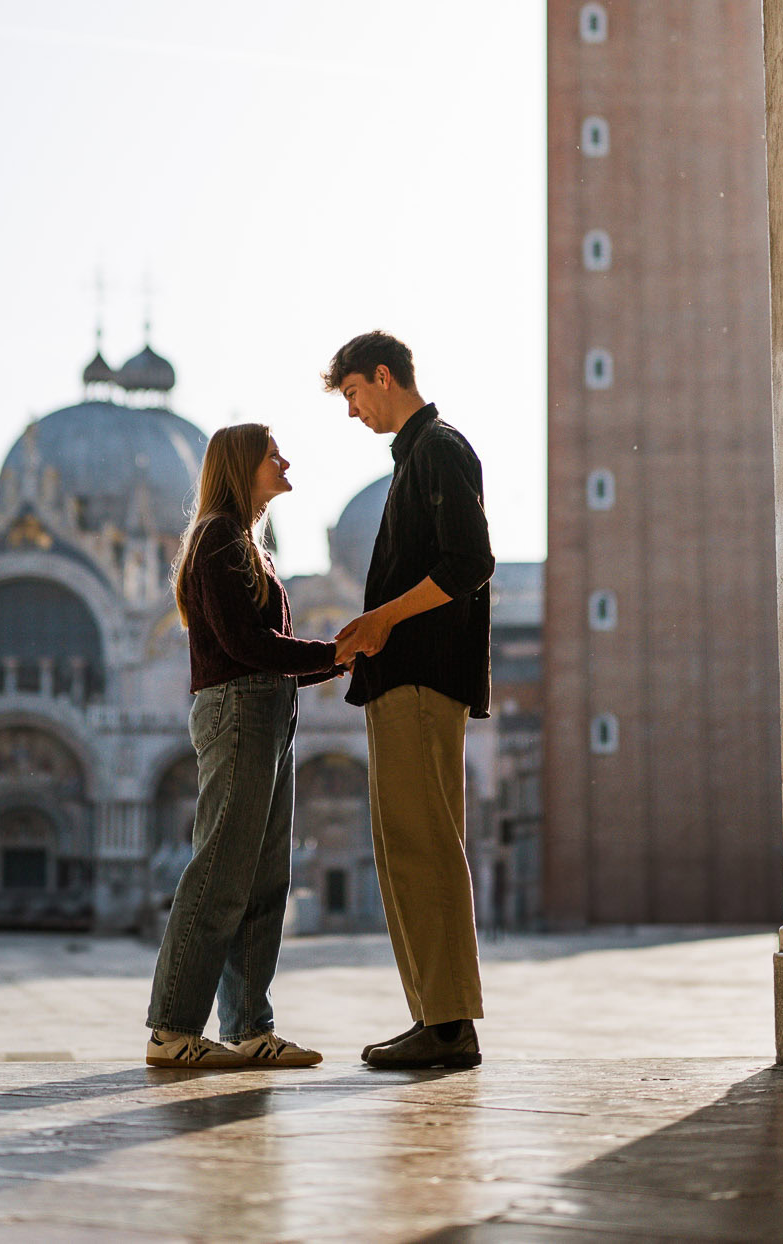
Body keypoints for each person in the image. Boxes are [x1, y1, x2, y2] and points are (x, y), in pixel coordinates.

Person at [146, 422, 339, 1069]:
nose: (285, 461)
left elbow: (264, 653)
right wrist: (341, 654)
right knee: (221, 872)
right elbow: (247, 647)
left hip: (266, 710)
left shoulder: (246, 544)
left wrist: (336, 660)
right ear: (241, 467)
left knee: (264, 878)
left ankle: (250, 1027)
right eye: (271, 455)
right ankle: (173, 1030)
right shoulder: (218, 540)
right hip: (239, 709)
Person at [326, 330, 494, 1070]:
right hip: (405, 681)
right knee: (406, 850)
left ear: (383, 376)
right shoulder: (416, 457)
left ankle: (449, 1025)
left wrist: (383, 618)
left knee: (423, 849)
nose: (353, 412)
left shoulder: (438, 449)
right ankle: (434, 1015)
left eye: (355, 394)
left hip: (422, 677)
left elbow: (471, 561)